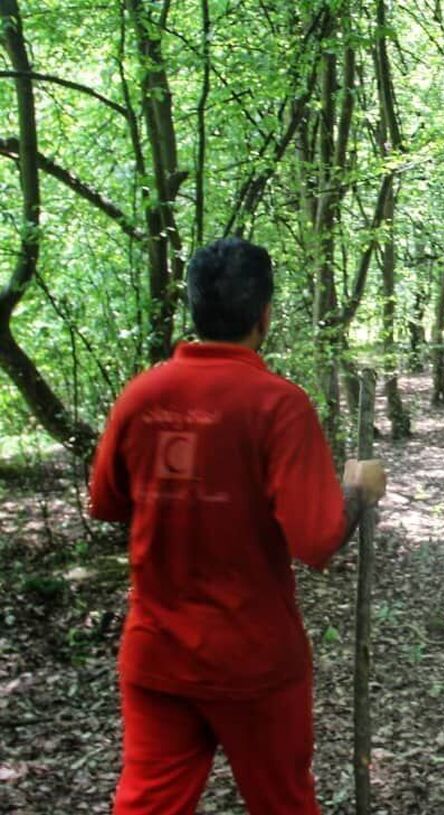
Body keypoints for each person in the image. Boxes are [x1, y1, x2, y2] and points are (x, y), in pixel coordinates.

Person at [88, 237, 386, 815]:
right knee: (283, 804)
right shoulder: (278, 405)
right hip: (254, 661)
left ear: (194, 308)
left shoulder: (141, 396)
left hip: (157, 655)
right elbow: (317, 539)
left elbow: (106, 501)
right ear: (265, 313)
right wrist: (358, 492)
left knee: (146, 805)